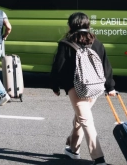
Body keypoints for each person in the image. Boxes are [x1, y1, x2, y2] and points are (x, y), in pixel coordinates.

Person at [50, 12, 116, 165]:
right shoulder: (96, 43)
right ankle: (73, 149)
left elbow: (58, 67)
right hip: (95, 87)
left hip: (76, 88)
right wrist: (110, 87)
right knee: (80, 118)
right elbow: (106, 65)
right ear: (88, 24)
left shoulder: (65, 43)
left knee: (86, 120)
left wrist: (55, 85)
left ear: (70, 25)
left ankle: (99, 159)